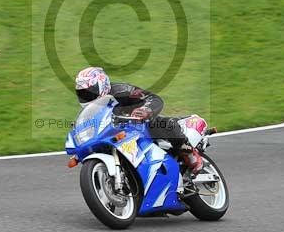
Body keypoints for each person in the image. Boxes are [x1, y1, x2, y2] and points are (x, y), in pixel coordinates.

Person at [74, 66, 205, 172]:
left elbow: (153, 98)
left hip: (139, 124)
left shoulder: (121, 91)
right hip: (117, 135)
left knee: (160, 124)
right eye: (83, 94)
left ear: (102, 85)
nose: (87, 97)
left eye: (89, 92)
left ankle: (189, 153)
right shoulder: (90, 111)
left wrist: (146, 110)